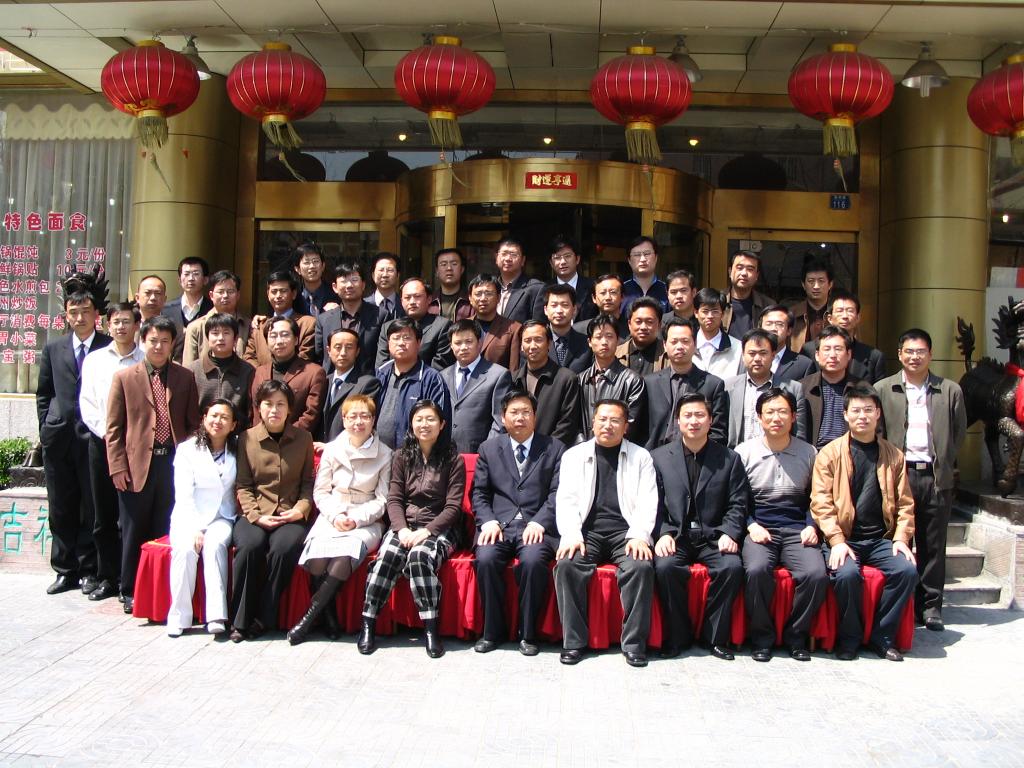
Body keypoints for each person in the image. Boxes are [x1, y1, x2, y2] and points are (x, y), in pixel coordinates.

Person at [811, 384, 917, 662]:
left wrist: (901, 538)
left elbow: (905, 504)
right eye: (856, 411)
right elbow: (820, 502)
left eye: (868, 410)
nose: (862, 416)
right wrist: (836, 540)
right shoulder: (830, 454)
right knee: (846, 575)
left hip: (881, 539)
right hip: (845, 538)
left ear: (878, 413)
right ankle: (850, 638)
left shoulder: (894, 455)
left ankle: (882, 637)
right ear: (845, 415)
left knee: (906, 571)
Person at [358, 400, 467, 658]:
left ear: (442, 424)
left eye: (430, 419)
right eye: (419, 419)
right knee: (387, 557)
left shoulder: (454, 460)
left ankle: (430, 628)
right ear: (411, 424)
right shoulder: (401, 456)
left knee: (419, 557)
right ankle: (368, 622)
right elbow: (394, 499)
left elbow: (453, 507)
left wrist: (427, 531)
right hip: (405, 525)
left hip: (440, 527)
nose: (424, 424)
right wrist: (402, 529)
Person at [107, 315, 200, 614]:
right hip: (136, 466)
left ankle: (160, 590)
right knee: (133, 530)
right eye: (153, 341)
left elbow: (192, 424)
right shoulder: (124, 378)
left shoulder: (184, 377)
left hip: (173, 464)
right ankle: (129, 590)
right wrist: (117, 467)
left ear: (173, 344)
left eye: (165, 341)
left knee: (166, 528)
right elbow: (114, 429)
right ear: (142, 341)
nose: (158, 346)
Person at [554, 399, 657, 667]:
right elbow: (565, 499)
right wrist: (571, 534)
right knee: (567, 565)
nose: (607, 425)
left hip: (626, 532)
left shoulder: (641, 456)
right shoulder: (573, 455)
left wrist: (639, 534)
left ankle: (634, 644)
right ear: (593, 422)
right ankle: (573, 642)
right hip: (586, 532)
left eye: (615, 420)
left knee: (640, 567)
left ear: (626, 426)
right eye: (602, 419)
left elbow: (648, 500)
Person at [876, 328, 967, 632]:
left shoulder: (950, 390)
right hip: (898, 476)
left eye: (920, 352)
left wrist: (944, 460)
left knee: (933, 544)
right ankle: (903, 603)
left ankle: (931, 606)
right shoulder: (884, 388)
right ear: (899, 354)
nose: (914, 357)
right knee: (898, 540)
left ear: (930, 354)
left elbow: (958, 432)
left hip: (935, 476)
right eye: (909, 351)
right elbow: (878, 433)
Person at [288, 394, 393, 645]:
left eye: (365, 416)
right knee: (317, 559)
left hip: (366, 518)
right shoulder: (333, 449)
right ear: (344, 420)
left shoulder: (385, 454)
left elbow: (382, 499)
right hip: (332, 512)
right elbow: (321, 491)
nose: (358, 422)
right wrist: (335, 516)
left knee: (343, 556)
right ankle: (330, 617)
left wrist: (355, 519)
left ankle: (307, 619)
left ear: (373, 420)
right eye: (352, 416)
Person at [652, 394, 749, 660]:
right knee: (665, 567)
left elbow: (738, 502)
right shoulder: (659, 458)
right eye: (687, 416)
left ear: (711, 420)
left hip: (714, 536)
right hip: (677, 535)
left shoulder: (729, 458)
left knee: (731, 567)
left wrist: (729, 532)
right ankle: (677, 636)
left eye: (700, 415)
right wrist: (662, 533)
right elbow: (653, 503)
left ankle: (714, 637)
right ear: (678, 421)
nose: (693, 421)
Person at [736, 388, 826, 662]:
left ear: (794, 416)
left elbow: (817, 496)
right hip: (759, 526)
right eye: (770, 412)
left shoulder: (809, 453)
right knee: (756, 570)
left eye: (783, 412)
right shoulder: (743, 453)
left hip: (798, 527)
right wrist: (750, 525)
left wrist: (812, 525)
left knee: (815, 574)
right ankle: (761, 638)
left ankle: (796, 636)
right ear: (759, 418)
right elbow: (736, 499)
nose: (776, 418)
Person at [472, 390, 565, 655]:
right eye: (514, 412)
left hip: (536, 526)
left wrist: (540, 522)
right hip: (498, 525)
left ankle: (528, 633)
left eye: (526, 412)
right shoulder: (489, 449)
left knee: (533, 562)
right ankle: (492, 632)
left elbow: (558, 492)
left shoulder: (554, 448)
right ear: (503, 418)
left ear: (535, 416)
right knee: (486, 558)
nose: (520, 417)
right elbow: (479, 492)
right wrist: (488, 521)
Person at [38, 287, 112, 596]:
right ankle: (64, 569)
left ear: (96, 315)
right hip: (59, 438)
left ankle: (89, 569)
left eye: (85, 312)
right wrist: (46, 426)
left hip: (94, 438)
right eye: (73, 312)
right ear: (66, 316)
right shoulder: (53, 348)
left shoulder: (108, 347)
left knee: (92, 507)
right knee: (61, 506)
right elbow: (44, 393)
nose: (79, 317)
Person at [230, 380, 315, 642]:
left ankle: (263, 617)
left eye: (281, 404)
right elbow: (243, 485)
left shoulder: (303, 438)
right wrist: (255, 515)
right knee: (249, 547)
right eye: (268, 404)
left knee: (283, 549)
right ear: (259, 407)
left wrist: (301, 509)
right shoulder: (246, 438)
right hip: (255, 512)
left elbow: (307, 483)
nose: (274, 410)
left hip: (290, 514)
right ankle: (240, 620)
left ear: (290, 409)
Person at [79, 301, 142, 601]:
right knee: (103, 514)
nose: (121, 327)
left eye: (126, 321)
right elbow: (87, 403)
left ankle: (131, 579)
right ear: (107, 325)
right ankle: (107, 577)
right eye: (116, 321)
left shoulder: (145, 358)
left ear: (136, 325)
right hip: (101, 443)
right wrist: (109, 435)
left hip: (137, 447)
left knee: (130, 515)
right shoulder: (94, 360)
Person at [166, 399, 239, 637]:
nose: (218, 421)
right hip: (189, 516)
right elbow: (183, 494)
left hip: (222, 516)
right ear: (204, 418)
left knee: (215, 546)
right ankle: (178, 616)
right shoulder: (187, 450)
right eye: (213, 416)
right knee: (185, 550)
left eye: (225, 417)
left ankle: (216, 615)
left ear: (233, 425)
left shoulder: (237, 449)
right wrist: (195, 528)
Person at [643, 316, 727, 448]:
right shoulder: (649, 383)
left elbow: (718, 433)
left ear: (695, 344)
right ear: (664, 345)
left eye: (685, 341)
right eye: (674, 341)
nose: (679, 347)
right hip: (654, 455)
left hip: (696, 455)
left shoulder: (713, 384)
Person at [374, 317, 452, 450]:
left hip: (414, 456)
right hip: (378, 454)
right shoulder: (379, 374)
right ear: (388, 343)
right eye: (396, 338)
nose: (401, 343)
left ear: (419, 343)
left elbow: (440, 424)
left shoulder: (431, 379)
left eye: (406, 338)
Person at [724, 329, 806, 448]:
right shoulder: (728, 387)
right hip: (738, 455)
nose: (757, 358)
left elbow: (799, 434)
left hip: (779, 455)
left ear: (773, 355)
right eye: (752, 353)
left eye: (763, 353)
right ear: (743, 355)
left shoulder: (793, 388)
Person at [440, 319, 511, 454]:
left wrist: (486, 453)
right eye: (458, 343)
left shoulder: (498, 375)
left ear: (479, 343)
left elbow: (500, 421)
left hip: (479, 454)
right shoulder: (442, 376)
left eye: (468, 341)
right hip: (446, 455)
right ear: (451, 346)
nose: (463, 347)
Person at [249, 316, 327, 433]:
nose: (279, 341)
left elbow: (311, 414)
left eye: (285, 335)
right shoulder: (258, 372)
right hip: (261, 439)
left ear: (296, 340)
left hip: (296, 439)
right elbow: (254, 411)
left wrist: (286, 437)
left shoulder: (314, 373)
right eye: (273, 336)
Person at [578, 314, 646, 444]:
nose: (604, 342)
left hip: (619, 449)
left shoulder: (632, 381)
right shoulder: (580, 380)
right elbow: (574, 423)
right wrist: (585, 447)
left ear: (618, 340)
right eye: (598, 337)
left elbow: (631, 424)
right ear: (589, 342)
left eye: (609, 336)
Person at [512, 320, 582, 446]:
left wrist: (546, 450)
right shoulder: (513, 379)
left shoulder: (566, 379)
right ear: (521, 346)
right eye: (527, 341)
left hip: (551, 452)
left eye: (538, 340)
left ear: (549, 343)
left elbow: (567, 424)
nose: (533, 346)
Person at [799, 325, 866, 448]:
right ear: (817, 355)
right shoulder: (802, 388)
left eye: (838, 349)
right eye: (827, 349)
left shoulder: (862, 389)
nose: (833, 355)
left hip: (849, 453)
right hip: (811, 453)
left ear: (849, 354)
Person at [800, 291, 885, 383]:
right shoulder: (809, 350)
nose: (845, 316)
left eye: (850, 311)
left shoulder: (874, 356)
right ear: (829, 318)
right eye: (840, 311)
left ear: (858, 318)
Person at [317, 328, 381, 446]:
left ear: (357, 351)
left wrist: (331, 447)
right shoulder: (323, 381)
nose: (343, 353)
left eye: (349, 347)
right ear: (329, 351)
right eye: (337, 347)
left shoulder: (368, 384)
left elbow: (361, 423)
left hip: (349, 450)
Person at [315, 262, 381, 375]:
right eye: (344, 281)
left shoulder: (380, 315)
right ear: (335, 287)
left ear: (363, 285)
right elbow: (319, 355)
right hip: (332, 381)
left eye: (354, 280)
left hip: (368, 380)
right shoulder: (323, 319)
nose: (349, 285)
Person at [191, 313, 255, 427]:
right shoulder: (193, 370)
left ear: (235, 338)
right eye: (215, 333)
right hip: (201, 433)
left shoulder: (248, 371)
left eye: (226, 333)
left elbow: (250, 411)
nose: (220, 338)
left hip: (236, 433)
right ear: (207, 337)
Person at [375, 277, 453, 370]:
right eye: (407, 298)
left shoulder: (442, 326)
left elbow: (440, 366)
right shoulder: (388, 327)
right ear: (401, 301)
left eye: (417, 296)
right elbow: (382, 366)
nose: (412, 302)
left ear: (429, 299)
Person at [245, 270, 317, 366]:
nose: (278, 296)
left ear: (294, 294)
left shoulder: (308, 324)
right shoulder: (259, 326)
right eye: (274, 292)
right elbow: (249, 357)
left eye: (283, 291)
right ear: (268, 294)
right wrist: (263, 374)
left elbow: (304, 358)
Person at [182, 271, 252, 366]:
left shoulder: (249, 326)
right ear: (211, 295)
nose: (225, 296)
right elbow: (188, 367)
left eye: (230, 291)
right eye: (220, 292)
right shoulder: (195, 327)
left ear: (238, 295)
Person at [533, 234, 596, 322]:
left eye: (567, 256)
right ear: (551, 263)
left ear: (577, 259)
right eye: (557, 257)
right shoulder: (544, 289)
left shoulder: (592, 286)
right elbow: (539, 322)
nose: (563, 262)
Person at [161, 257, 212, 362]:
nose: (191, 278)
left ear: (205, 280)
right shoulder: (166, 310)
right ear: (179, 280)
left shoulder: (212, 309)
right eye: (186, 274)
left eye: (196, 274)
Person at [469, 273, 522, 371]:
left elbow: (514, 369)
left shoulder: (513, 329)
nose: (483, 298)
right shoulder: (462, 326)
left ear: (498, 298)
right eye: (478, 294)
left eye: (488, 293)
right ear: (470, 298)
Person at [723, 249, 774, 339]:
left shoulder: (768, 305)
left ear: (756, 275)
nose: (744, 273)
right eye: (739, 268)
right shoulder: (717, 301)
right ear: (730, 272)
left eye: (750, 269)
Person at [692, 287, 742, 379]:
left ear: (722, 314)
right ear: (696, 313)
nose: (710, 316)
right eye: (705, 311)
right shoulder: (687, 345)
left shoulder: (738, 348)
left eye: (715, 311)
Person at [787, 254, 833, 352]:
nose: (816, 286)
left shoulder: (839, 313)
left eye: (821, 281)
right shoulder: (791, 314)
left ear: (830, 284)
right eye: (811, 281)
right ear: (803, 285)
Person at [542, 284, 592, 373]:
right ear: (545, 310)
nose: (559, 311)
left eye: (565, 305)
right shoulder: (537, 342)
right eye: (554, 305)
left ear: (574, 310)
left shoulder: (587, 344)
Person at [494, 237, 544, 324]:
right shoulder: (490, 287)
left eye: (513, 254)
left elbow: (538, 327)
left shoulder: (536, 288)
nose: (508, 258)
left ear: (523, 260)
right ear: (496, 258)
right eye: (504, 253)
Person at [760, 304, 812, 384]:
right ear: (760, 328)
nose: (773, 329)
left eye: (779, 324)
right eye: (769, 324)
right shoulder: (748, 359)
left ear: (789, 331)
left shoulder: (804, 364)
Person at [615, 296, 666, 376]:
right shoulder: (615, 354)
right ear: (629, 324)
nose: (643, 327)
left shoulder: (669, 354)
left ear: (659, 325)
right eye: (638, 321)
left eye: (649, 322)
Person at [572, 274, 628, 341]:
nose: (608, 298)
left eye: (613, 292)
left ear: (622, 297)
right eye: (603, 293)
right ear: (594, 298)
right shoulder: (579, 330)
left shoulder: (631, 327)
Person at [622, 236, 669, 315]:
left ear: (656, 257)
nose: (643, 259)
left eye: (647, 254)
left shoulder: (667, 290)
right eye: (637, 255)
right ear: (629, 260)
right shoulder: (621, 290)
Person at [292, 242, 340, 317]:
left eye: (316, 261)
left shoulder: (336, 294)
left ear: (323, 266)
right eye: (306, 262)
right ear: (297, 269)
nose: (312, 266)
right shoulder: (293, 297)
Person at [429, 247, 473, 322]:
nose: (449, 268)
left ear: (462, 269)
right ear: (437, 271)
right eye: (444, 264)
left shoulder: (471, 301)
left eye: (454, 264)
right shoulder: (429, 302)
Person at [370, 252, 402, 324]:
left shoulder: (404, 304)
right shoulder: (363, 305)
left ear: (398, 275)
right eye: (381, 270)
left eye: (390, 270)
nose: (385, 275)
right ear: (373, 275)